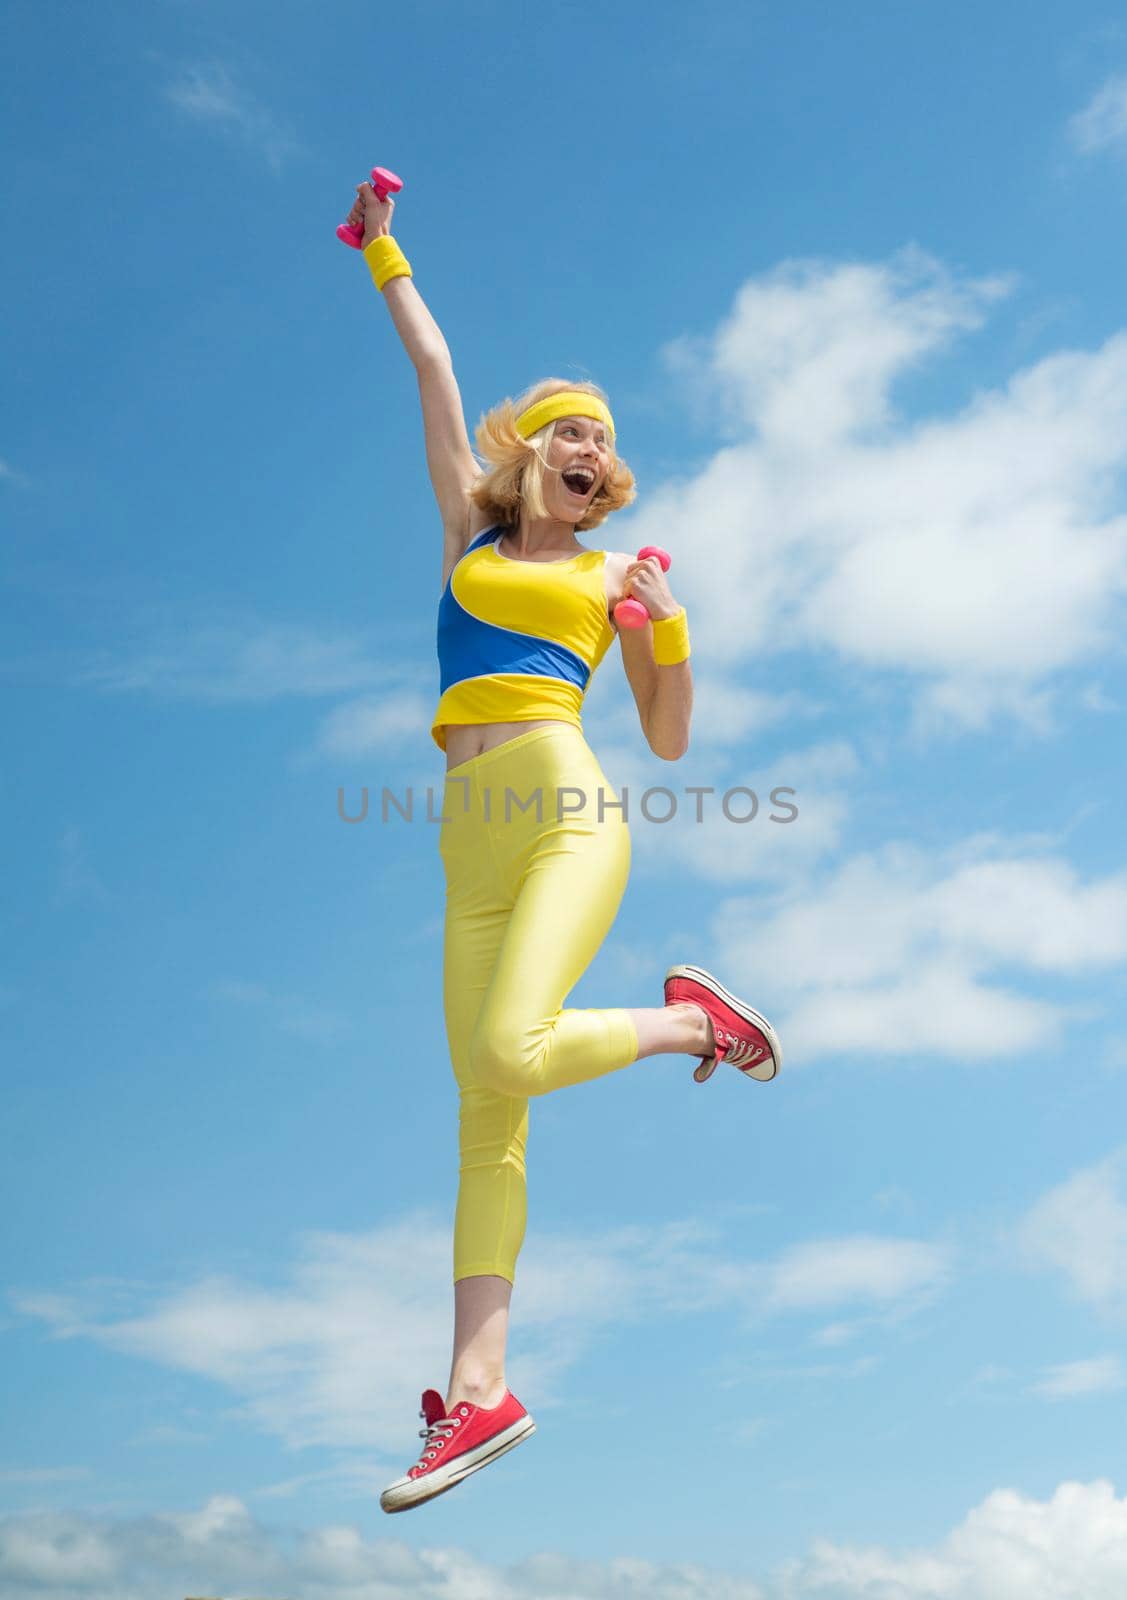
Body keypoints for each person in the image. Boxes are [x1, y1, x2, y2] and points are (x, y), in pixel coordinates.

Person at [343, 180, 784, 1515]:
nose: (589, 447)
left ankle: (695, 1026)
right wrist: (383, 250)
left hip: (563, 811)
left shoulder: (611, 581)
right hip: (463, 844)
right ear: (530, 451)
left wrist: (670, 623)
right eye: (568, 431)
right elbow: (432, 364)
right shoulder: (466, 537)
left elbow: (665, 741)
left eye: (604, 439)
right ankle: (478, 1390)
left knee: (503, 1051)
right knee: (488, 1112)